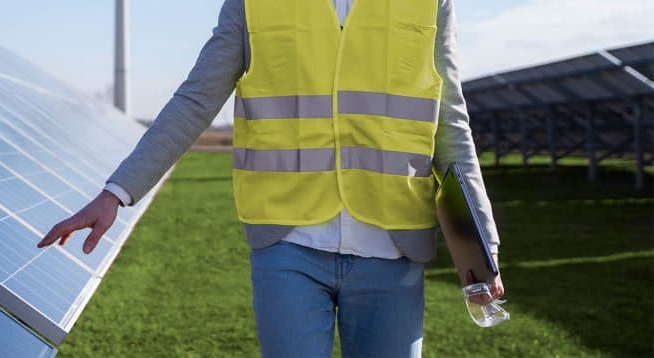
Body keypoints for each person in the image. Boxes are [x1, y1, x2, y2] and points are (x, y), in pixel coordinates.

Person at [38, 0, 505, 356]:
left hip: (394, 245)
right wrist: (116, 192)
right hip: (287, 244)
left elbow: (450, 121)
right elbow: (196, 99)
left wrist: (483, 243)